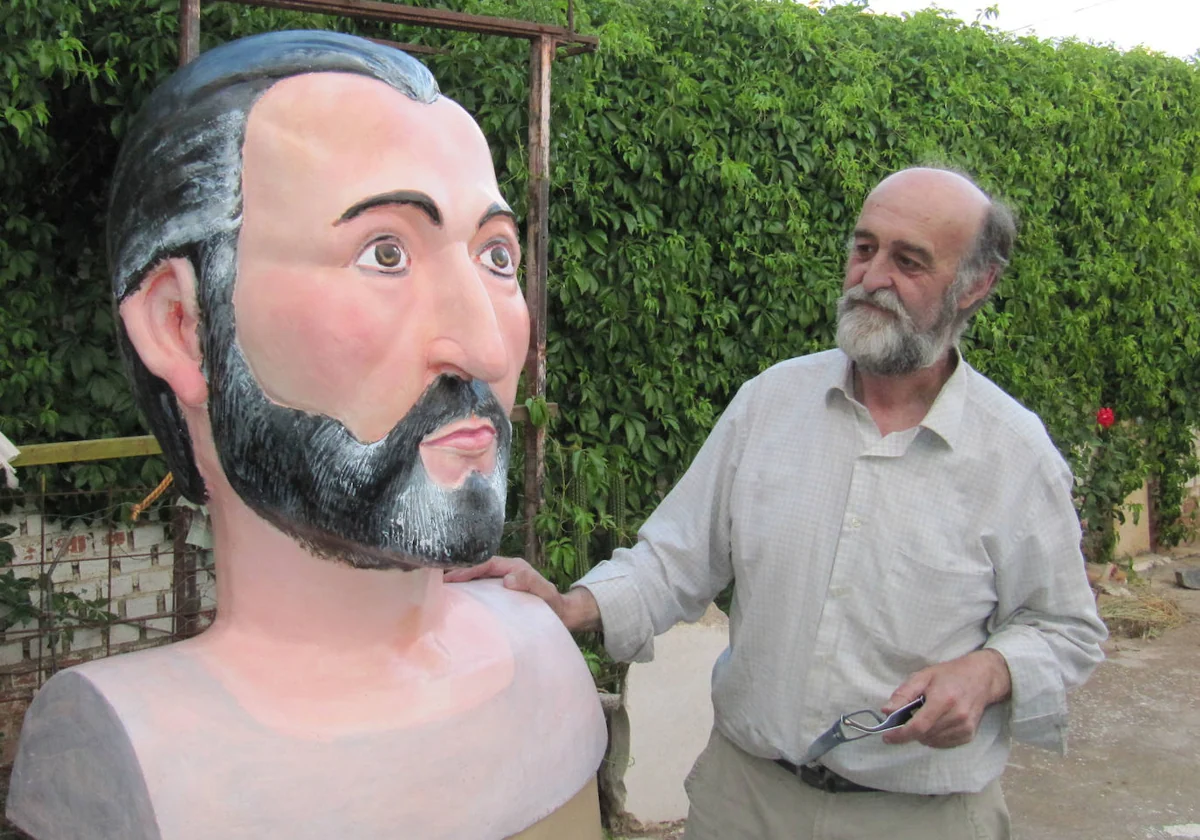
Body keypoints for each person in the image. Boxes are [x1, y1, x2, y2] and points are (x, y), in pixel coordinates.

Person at [6, 31, 606, 840]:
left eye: (494, 256)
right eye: (384, 252)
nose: (490, 350)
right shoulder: (124, 754)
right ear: (182, 327)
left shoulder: (544, 665)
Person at [447, 166, 1107, 839]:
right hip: (746, 802)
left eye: (909, 261)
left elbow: (1066, 630)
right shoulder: (770, 403)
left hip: (920, 819)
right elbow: (673, 562)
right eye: (864, 247)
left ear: (976, 285)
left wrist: (991, 671)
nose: (873, 277)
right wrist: (569, 606)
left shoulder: (1014, 454)